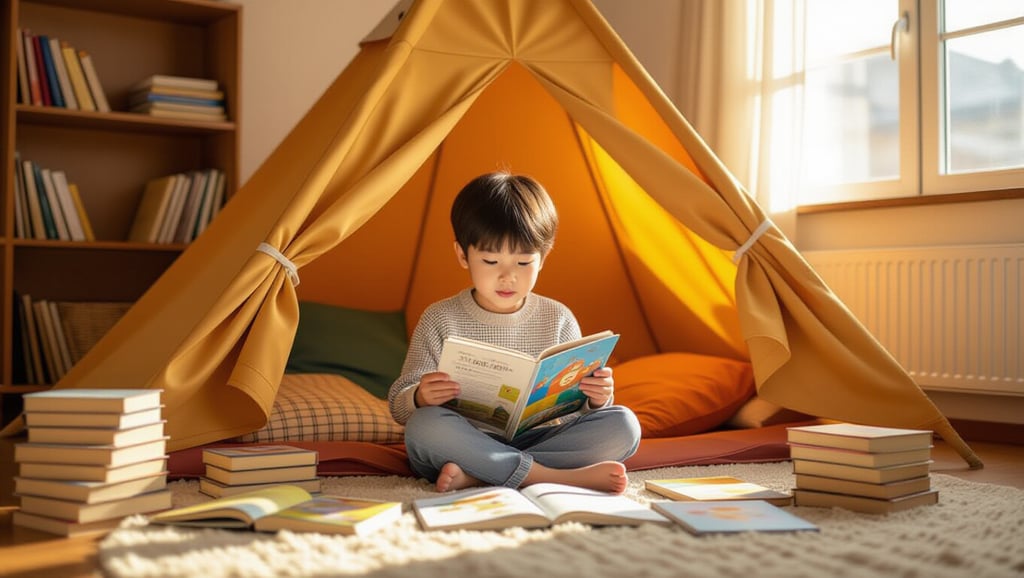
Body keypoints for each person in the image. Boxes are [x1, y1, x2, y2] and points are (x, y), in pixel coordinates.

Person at [388, 171, 641, 494]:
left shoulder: (558, 317)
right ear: (462, 255)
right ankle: (552, 477)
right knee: (424, 428)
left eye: (523, 263)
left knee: (623, 425)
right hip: (466, 439)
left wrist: (597, 399)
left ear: (544, 257)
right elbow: (399, 405)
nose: (508, 277)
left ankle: (483, 474)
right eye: (491, 261)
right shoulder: (440, 318)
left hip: (536, 438)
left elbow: (575, 408)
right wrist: (420, 396)